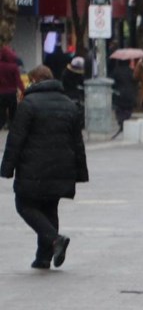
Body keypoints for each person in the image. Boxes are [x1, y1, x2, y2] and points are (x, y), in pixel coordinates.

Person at [0, 66, 88, 269]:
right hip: (62, 169)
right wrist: (81, 172)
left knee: (24, 205)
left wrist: (7, 168)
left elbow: (16, 139)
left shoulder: (28, 105)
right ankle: (43, 257)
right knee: (49, 207)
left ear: (36, 81)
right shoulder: (68, 105)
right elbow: (78, 142)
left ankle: (55, 240)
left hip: (34, 168)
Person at [109, 58, 138, 139]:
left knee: (120, 110)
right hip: (130, 95)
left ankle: (121, 123)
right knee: (128, 110)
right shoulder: (131, 71)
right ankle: (125, 123)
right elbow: (135, 81)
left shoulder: (116, 71)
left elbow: (112, 81)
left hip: (119, 95)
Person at [1, 46, 26, 131]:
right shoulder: (13, 67)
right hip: (11, 93)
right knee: (13, 111)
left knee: (1, 111)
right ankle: (11, 125)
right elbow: (18, 81)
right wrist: (24, 91)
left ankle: (2, 124)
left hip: (1, 93)